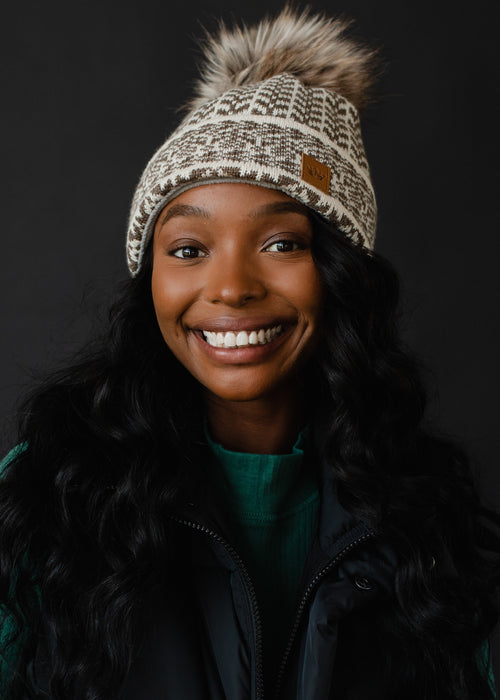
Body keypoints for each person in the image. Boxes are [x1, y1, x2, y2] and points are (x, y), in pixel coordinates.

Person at [0, 6, 499, 699]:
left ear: (340, 274)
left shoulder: (427, 512)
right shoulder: (51, 491)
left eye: (281, 244)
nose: (231, 288)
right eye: (188, 250)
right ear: (152, 279)